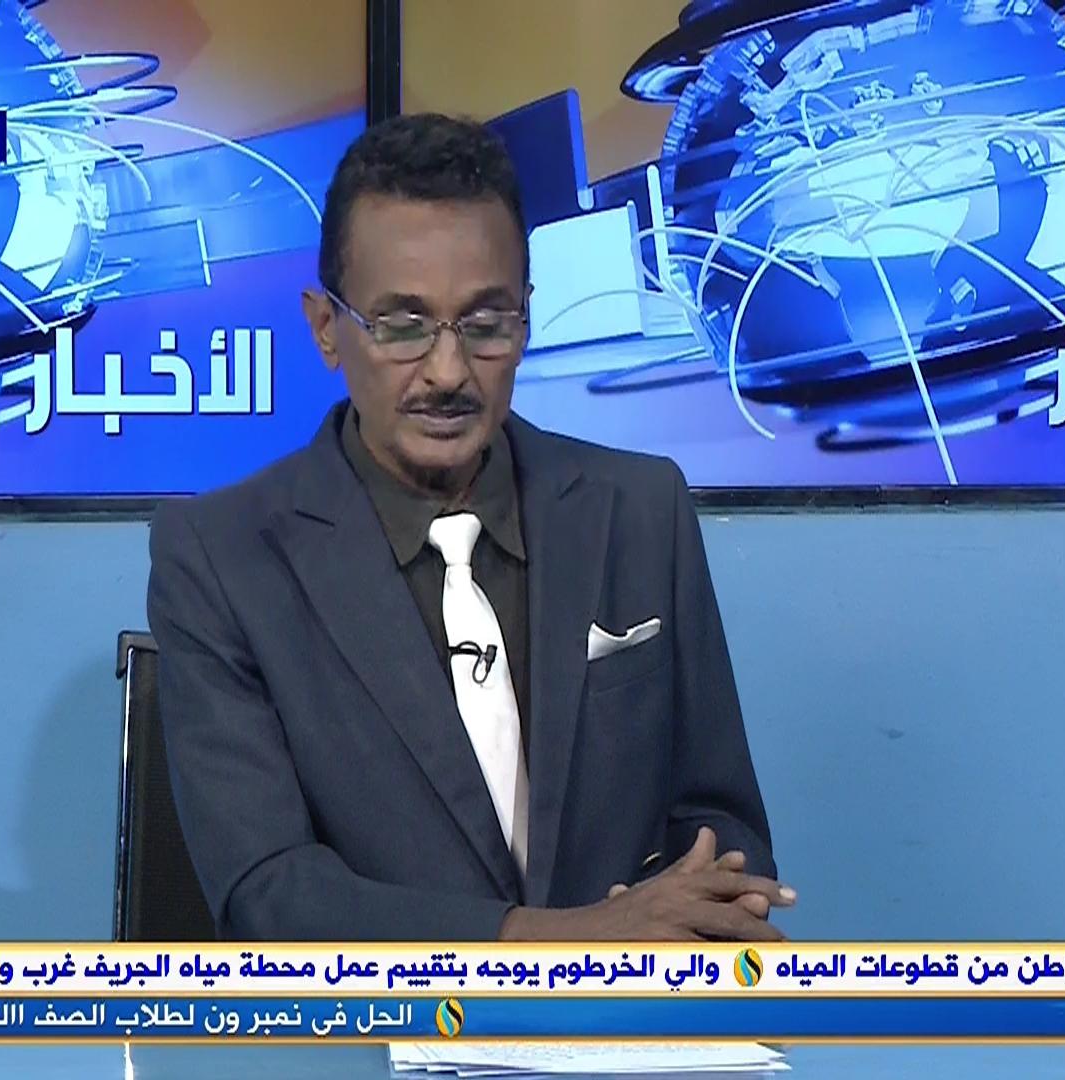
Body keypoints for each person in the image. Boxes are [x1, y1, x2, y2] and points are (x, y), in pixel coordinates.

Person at [147, 113, 792, 941]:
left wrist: (701, 916)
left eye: (485, 325)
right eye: (402, 326)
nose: (448, 373)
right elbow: (272, 896)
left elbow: (720, 825)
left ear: (526, 319)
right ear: (326, 329)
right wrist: (565, 943)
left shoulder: (640, 509)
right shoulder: (223, 557)